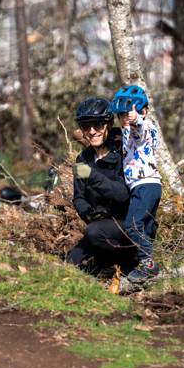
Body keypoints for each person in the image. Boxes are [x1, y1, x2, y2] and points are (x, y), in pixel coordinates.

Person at [66, 97, 137, 274]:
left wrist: (92, 175)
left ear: (110, 124)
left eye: (98, 124)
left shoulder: (125, 152)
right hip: (98, 229)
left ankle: (133, 264)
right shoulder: (82, 159)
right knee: (70, 267)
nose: (92, 131)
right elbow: (79, 197)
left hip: (129, 226)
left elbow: (123, 195)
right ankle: (109, 262)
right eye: (86, 126)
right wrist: (88, 213)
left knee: (93, 231)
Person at [108, 85, 162, 283]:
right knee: (145, 228)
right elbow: (134, 141)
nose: (125, 119)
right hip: (147, 185)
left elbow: (141, 132)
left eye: (129, 114)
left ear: (143, 111)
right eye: (121, 115)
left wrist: (136, 120)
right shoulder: (128, 133)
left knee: (132, 225)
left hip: (145, 185)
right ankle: (146, 265)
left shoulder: (145, 127)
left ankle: (148, 264)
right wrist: (123, 137)